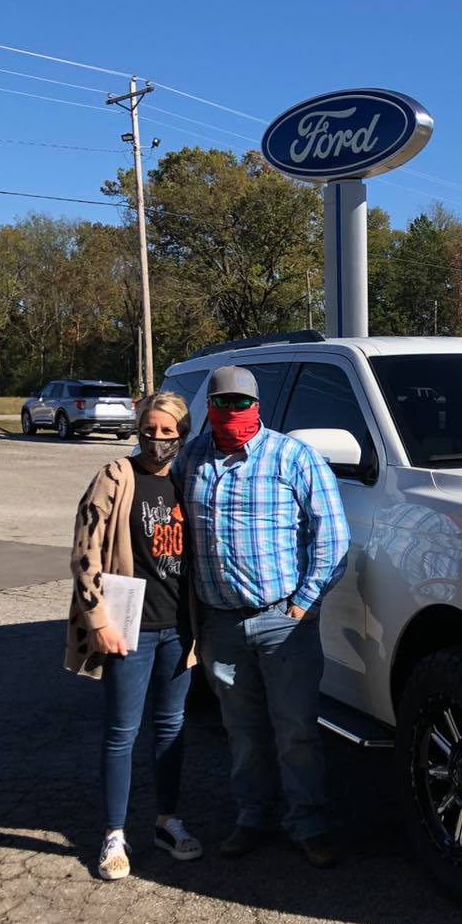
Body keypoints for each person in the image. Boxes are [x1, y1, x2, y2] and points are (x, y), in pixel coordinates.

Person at [174, 366, 351, 867]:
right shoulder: (191, 458)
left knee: (296, 731)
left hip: (283, 622)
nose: (232, 412)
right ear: (209, 406)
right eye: (222, 403)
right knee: (242, 731)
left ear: (257, 405)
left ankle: (308, 823)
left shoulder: (293, 457)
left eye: (241, 403)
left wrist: (305, 601)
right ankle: (252, 817)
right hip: (221, 625)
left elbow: (332, 535)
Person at [66, 391, 202, 881]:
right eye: (150, 429)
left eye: (168, 431)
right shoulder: (116, 476)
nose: (157, 439)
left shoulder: (188, 480)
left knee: (171, 726)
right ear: (138, 428)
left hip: (179, 629)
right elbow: (85, 553)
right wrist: (98, 621)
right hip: (129, 628)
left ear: (183, 435)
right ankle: (114, 833)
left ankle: (167, 822)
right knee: (122, 732)